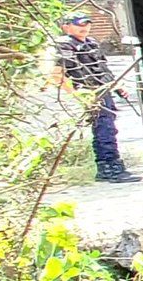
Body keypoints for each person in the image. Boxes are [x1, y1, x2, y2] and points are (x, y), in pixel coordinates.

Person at [53, 13, 137, 184]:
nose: (84, 27)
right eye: (79, 25)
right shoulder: (65, 46)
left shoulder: (91, 42)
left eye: (86, 24)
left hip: (103, 90)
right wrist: (80, 96)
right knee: (104, 130)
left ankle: (112, 166)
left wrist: (118, 87)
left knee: (108, 128)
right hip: (89, 92)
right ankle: (109, 168)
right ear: (66, 26)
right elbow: (57, 75)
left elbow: (103, 68)